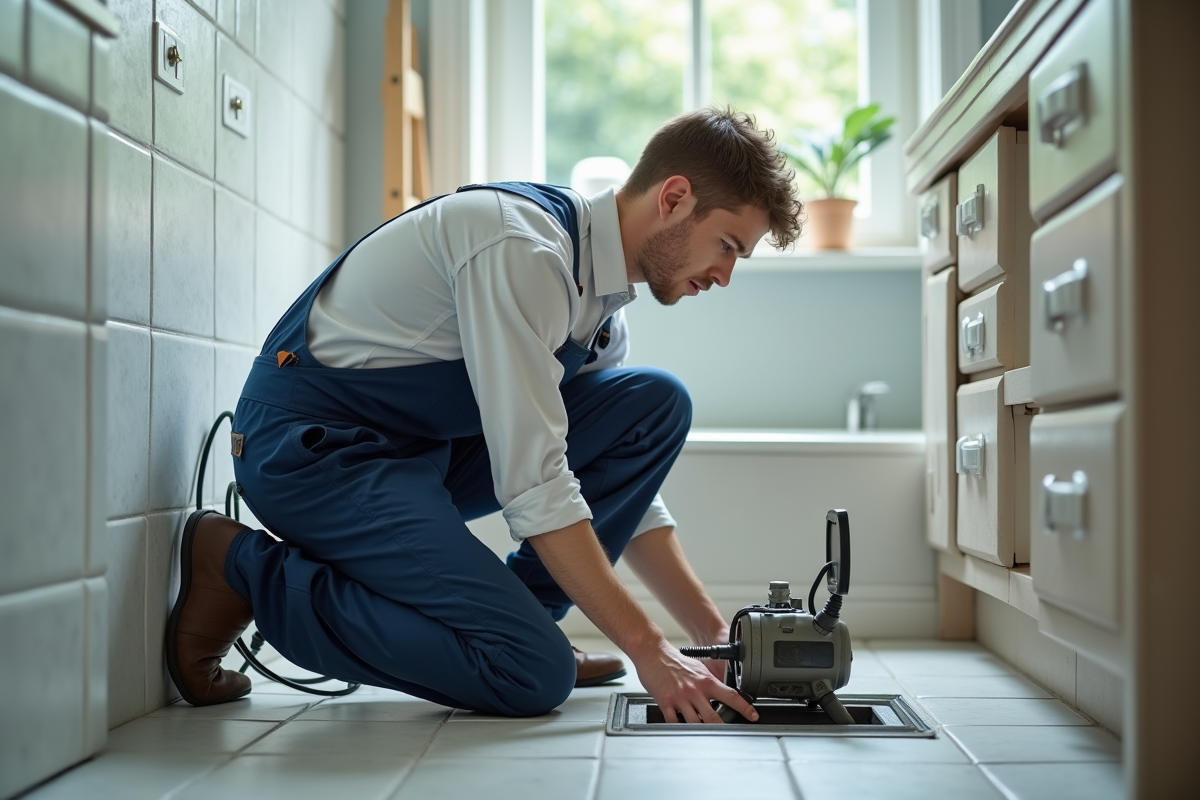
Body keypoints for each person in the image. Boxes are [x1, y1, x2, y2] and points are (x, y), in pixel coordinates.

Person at [165, 107, 803, 724]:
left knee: (654, 403)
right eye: (727, 245)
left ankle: (520, 622)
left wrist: (713, 636)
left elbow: (617, 486)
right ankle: (245, 571)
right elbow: (537, 482)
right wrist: (649, 649)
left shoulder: (603, 307)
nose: (725, 275)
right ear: (675, 198)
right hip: (313, 454)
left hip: (415, 455)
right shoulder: (523, 249)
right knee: (531, 673)